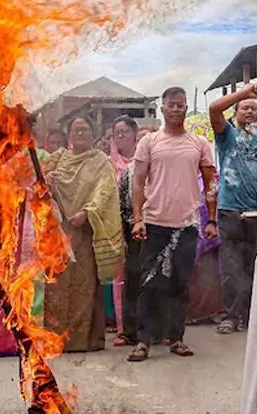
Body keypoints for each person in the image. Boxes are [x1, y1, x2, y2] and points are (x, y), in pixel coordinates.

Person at [128, 87, 217, 362]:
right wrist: (138, 218)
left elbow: (211, 184)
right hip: (155, 223)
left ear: (186, 108)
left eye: (181, 105)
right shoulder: (150, 142)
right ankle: (143, 341)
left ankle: (176, 339)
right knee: (149, 283)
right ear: (163, 109)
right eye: (172, 105)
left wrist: (211, 220)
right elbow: (138, 182)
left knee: (180, 283)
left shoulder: (200, 143)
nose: (177, 109)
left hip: (187, 224)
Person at [42, 115, 123, 352]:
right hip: (58, 232)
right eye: (75, 130)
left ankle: (83, 341)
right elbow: (38, 185)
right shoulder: (57, 159)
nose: (80, 134)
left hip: (86, 231)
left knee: (84, 285)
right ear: (69, 134)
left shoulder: (101, 162)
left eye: (84, 129)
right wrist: (46, 180)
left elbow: (104, 191)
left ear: (93, 133)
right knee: (56, 285)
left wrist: (88, 213)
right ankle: (55, 340)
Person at [208, 83, 257, 334]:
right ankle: (232, 316)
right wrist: (245, 92)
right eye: (244, 108)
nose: (249, 111)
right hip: (230, 211)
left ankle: (252, 317)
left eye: (253, 109)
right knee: (232, 267)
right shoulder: (227, 135)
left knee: (256, 265)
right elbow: (214, 108)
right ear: (235, 112)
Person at [110, 115, 140, 347]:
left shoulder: (145, 158)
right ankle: (124, 328)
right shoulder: (108, 163)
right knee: (121, 277)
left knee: (145, 275)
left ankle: (149, 327)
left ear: (134, 134)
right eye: (116, 132)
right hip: (116, 225)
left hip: (142, 222)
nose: (121, 136)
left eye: (125, 131)